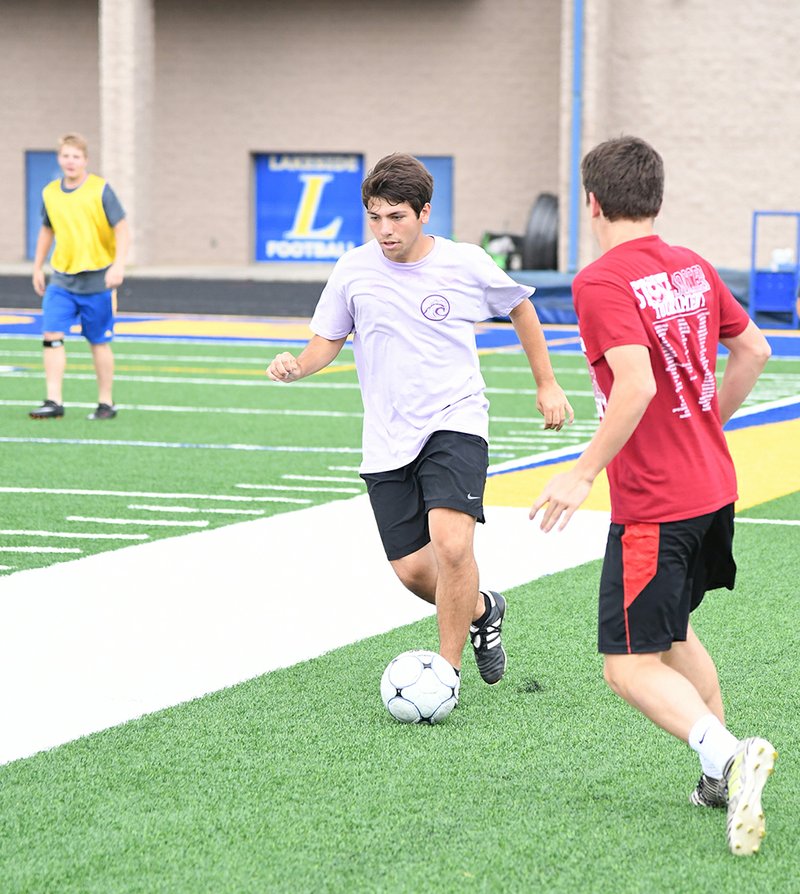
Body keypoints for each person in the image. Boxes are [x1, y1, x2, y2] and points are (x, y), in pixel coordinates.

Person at [529, 136, 776, 856]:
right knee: (671, 635)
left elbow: (635, 385)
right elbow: (754, 350)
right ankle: (720, 777)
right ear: (656, 198)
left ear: (593, 203)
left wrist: (581, 473)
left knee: (628, 663)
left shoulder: (601, 281)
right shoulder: (694, 266)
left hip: (658, 502)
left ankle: (729, 754)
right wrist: (707, 423)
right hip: (712, 488)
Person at [268, 152, 573, 692]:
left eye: (396, 217)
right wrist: (298, 365)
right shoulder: (353, 270)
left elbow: (521, 308)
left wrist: (546, 384)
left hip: (456, 417)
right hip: (387, 435)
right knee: (413, 571)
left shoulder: (464, 262)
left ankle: (446, 674)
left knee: (452, 546)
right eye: (375, 217)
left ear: (424, 212)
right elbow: (327, 341)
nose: (385, 230)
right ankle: (482, 609)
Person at [30, 132, 129, 420]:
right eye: (65, 156)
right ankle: (53, 400)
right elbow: (47, 230)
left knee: (98, 340)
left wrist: (118, 265)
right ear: (59, 158)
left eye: (76, 156)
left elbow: (121, 228)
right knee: (51, 335)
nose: (70, 161)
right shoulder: (50, 192)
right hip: (61, 278)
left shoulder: (100, 190)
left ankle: (106, 403)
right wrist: (38, 266)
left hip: (98, 278)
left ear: (85, 160)